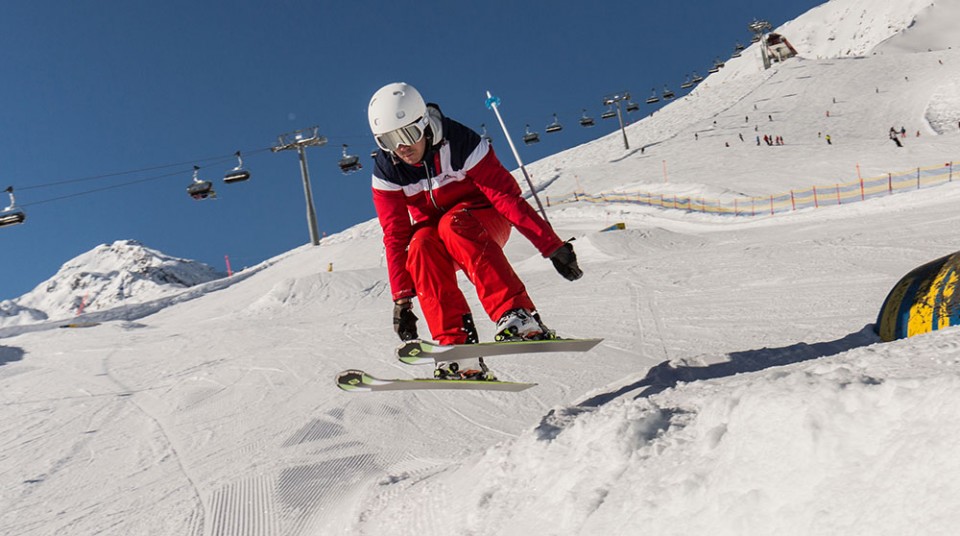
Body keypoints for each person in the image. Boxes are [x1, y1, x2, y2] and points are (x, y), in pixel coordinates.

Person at [366, 82, 583, 380]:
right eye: (388, 140)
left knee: (453, 225)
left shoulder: (460, 142)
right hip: (439, 236)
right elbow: (395, 236)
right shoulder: (388, 169)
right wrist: (402, 299)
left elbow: (505, 197)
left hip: (482, 221)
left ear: (425, 125)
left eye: (407, 134)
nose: (402, 147)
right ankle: (458, 349)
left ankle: (517, 314)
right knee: (419, 244)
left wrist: (551, 246)